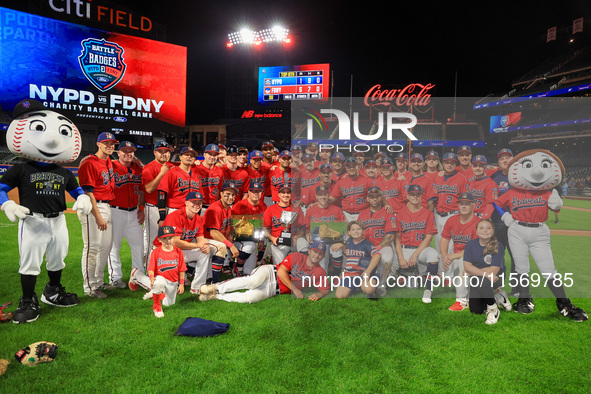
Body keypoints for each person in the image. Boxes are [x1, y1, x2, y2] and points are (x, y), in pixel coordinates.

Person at [0, 99, 92, 323]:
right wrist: (7, 204)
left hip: (58, 219)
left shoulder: (63, 171)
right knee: (30, 262)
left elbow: (76, 189)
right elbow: (2, 188)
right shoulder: (21, 168)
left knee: (57, 259)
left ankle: (53, 291)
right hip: (33, 221)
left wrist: (82, 199)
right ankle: (27, 299)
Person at [495, 149, 587, 321]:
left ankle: (564, 303)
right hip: (517, 230)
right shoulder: (512, 192)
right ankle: (524, 298)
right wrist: (504, 215)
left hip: (539, 231)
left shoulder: (547, 192)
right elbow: (497, 203)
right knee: (521, 268)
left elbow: (555, 207)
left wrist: (557, 203)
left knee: (548, 270)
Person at [198, 242, 330, 303]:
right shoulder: (296, 256)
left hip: (274, 290)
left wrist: (319, 293)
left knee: (250, 298)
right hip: (271, 272)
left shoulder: (319, 272)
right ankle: (215, 287)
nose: (317, 255)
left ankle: (215, 296)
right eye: (315, 252)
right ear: (309, 251)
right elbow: (281, 272)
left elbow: (326, 289)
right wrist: (295, 290)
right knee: (253, 281)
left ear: (322, 256)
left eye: (320, 254)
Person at [142, 192, 211, 294]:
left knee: (204, 253)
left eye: (199, 203)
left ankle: (196, 287)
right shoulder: (175, 216)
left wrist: (205, 247)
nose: (197, 205)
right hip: (161, 253)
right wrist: (198, 245)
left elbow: (200, 239)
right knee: (159, 287)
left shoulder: (198, 219)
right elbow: (174, 242)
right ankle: (137, 276)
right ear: (186, 203)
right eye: (194, 202)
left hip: (178, 252)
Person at [77, 131, 117, 298]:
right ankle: (89, 287)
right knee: (92, 248)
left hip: (107, 206)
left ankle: (99, 282)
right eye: (106, 143)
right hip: (92, 208)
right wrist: (97, 215)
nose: (110, 146)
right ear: (98, 144)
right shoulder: (89, 163)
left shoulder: (109, 162)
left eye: (112, 143)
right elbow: (88, 192)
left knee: (105, 247)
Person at [392, 185, 439, 303]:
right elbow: (397, 239)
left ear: (421, 196)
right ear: (407, 196)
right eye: (412, 194)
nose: (415, 197)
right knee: (412, 286)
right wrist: (401, 258)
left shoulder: (428, 213)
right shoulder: (400, 214)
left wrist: (415, 254)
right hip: (405, 249)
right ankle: (415, 276)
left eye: (418, 194)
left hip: (421, 249)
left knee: (434, 255)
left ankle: (428, 290)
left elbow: (429, 238)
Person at [108, 141, 145, 289]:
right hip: (115, 211)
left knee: (138, 246)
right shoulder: (111, 165)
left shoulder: (138, 169)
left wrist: (141, 208)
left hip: (134, 212)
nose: (128, 153)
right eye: (124, 151)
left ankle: (138, 275)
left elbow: (142, 190)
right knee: (114, 247)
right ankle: (115, 277)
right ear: (118, 152)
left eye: (130, 151)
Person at [440, 192, 483, 311]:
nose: (463, 206)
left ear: (474, 205)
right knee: (459, 275)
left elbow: (473, 249)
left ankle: (461, 301)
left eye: (467, 204)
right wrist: (445, 256)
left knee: (463, 265)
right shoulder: (452, 220)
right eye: (461, 203)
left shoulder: (479, 223)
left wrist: (452, 256)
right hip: (458, 255)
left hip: (478, 258)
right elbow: (444, 239)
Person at [463, 219, 507, 325]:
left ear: (493, 230)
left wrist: (473, 272)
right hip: (479, 277)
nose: (485, 231)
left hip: (496, 276)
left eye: (488, 228)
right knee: (476, 310)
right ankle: (499, 297)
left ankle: (493, 310)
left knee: (482, 282)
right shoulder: (470, 245)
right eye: (481, 228)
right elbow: (467, 267)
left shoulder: (498, 246)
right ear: (476, 231)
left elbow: (494, 270)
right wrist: (484, 274)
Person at [357, 186, 397, 296]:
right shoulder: (362, 214)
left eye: (377, 197)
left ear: (380, 198)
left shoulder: (388, 212)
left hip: (383, 246)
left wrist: (378, 247)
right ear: (367, 199)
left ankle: (382, 285)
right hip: (366, 247)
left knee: (387, 259)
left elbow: (390, 236)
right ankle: (365, 284)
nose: (374, 199)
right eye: (371, 197)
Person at [141, 141, 174, 266]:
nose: (163, 154)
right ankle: (149, 269)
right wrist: (161, 173)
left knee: (169, 239)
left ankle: (163, 266)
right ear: (155, 153)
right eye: (160, 151)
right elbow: (148, 189)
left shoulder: (172, 166)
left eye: (166, 151)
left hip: (168, 208)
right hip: (153, 208)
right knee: (152, 240)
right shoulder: (149, 168)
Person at [143, 226, 186, 318]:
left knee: (169, 303)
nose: (167, 241)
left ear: (174, 237)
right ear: (159, 240)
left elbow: (182, 269)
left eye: (170, 238)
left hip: (173, 281)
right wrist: (151, 278)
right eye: (164, 238)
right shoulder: (156, 252)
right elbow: (150, 268)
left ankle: (154, 294)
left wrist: (181, 284)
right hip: (161, 277)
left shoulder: (178, 252)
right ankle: (157, 306)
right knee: (158, 283)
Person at [333, 220, 381, 299]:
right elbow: (349, 253)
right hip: (349, 274)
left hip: (362, 274)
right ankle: (356, 287)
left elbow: (377, 255)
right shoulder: (348, 242)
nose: (356, 231)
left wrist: (368, 272)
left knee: (369, 289)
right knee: (339, 296)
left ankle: (370, 289)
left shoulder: (367, 243)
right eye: (353, 229)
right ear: (349, 232)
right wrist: (342, 246)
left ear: (363, 231)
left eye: (358, 229)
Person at [489, 148, 516, 288]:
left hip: (516, 224)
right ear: (498, 162)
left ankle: (517, 287)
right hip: (498, 223)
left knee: (516, 256)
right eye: (502, 158)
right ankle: (498, 285)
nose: (505, 160)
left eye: (508, 157)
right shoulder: (494, 177)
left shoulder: (519, 176)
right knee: (498, 255)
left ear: (513, 159)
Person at [203, 181, 238, 283]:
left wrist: (231, 238)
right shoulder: (215, 208)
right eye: (227, 194)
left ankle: (213, 274)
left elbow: (226, 227)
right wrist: (230, 245)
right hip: (205, 240)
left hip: (215, 241)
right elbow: (213, 233)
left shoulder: (227, 208)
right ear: (221, 194)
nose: (230, 197)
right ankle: (215, 282)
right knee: (222, 247)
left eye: (233, 195)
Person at [230, 181, 267, 276]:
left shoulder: (263, 206)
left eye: (258, 191)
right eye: (253, 191)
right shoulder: (239, 205)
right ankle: (237, 268)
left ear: (261, 193)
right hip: (239, 238)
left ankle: (244, 265)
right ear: (248, 193)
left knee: (249, 272)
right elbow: (233, 226)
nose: (255, 194)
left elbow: (261, 226)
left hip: (253, 237)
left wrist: (261, 240)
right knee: (250, 245)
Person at [157, 146, 203, 220]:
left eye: (192, 156)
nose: (189, 157)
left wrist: (197, 215)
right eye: (186, 155)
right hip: (174, 210)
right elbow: (162, 193)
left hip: (192, 212)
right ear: (180, 157)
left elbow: (200, 198)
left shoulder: (197, 176)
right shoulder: (171, 173)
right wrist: (162, 217)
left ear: (194, 159)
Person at [263, 184, 305, 264]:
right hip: (277, 242)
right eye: (283, 192)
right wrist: (272, 238)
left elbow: (302, 228)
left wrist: (296, 237)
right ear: (278, 194)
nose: (286, 195)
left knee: (303, 244)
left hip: (293, 241)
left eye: (288, 192)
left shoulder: (297, 209)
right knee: (281, 266)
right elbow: (264, 229)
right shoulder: (270, 209)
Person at [329, 157, 374, 222]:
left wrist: (386, 204)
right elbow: (332, 198)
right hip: (346, 214)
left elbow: (376, 196)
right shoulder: (341, 182)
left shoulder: (367, 180)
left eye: (354, 166)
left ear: (358, 166)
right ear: (346, 168)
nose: (352, 168)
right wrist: (317, 203)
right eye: (349, 167)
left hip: (363, 213)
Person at [466, 155, 498, 219]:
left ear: (485, 167)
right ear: (472, 167)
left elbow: (490, 205)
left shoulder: (491, 184)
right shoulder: (471, 183)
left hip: (481, 216)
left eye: (480, 166)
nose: (477, 168)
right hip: (469, 216)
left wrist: (484, 220)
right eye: (475, 166)